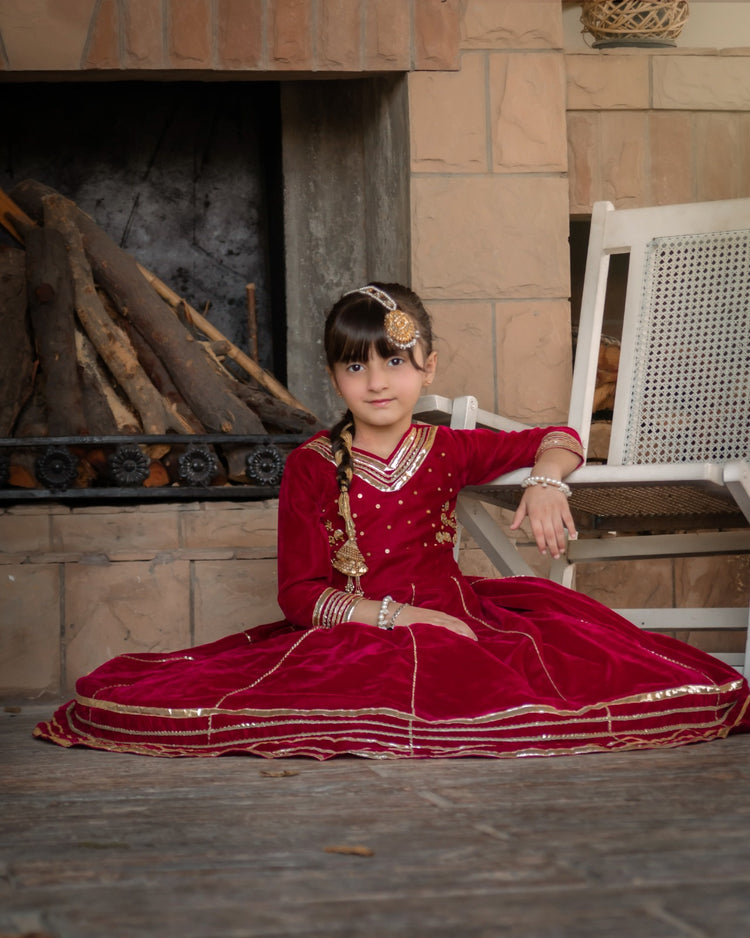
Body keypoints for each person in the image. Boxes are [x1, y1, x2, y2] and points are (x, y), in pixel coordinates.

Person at [35, 283, 750, 759]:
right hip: (358, 627)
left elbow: (560, 434)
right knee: (337, 696)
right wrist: (400, 619)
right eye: (355, 367)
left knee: (554, 673)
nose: (377, 381)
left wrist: (543, 483)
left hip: (465, 611)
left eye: (396, 363)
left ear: (428, 368)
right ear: (333, 377)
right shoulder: (313, 464)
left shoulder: (446, 448)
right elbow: (299, 595)